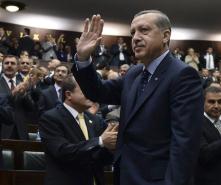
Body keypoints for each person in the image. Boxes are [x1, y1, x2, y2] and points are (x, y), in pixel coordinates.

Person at [72, 10, 203, 185]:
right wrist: (83, 58)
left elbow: (185, 143)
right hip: (125, 175)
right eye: (133, 32)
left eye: (144, 30)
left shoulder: (183, 75)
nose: (135, 37)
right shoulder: (134, 73)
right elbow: (98, 92)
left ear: (165, 36)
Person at [39, 75, 117, 185]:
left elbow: (100, 158)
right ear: (68, 94)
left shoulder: (95, 120)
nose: (91, 94)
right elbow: (63, 152)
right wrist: (100, 141)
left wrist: (111, 148)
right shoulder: (50, 118)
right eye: (85, 90)